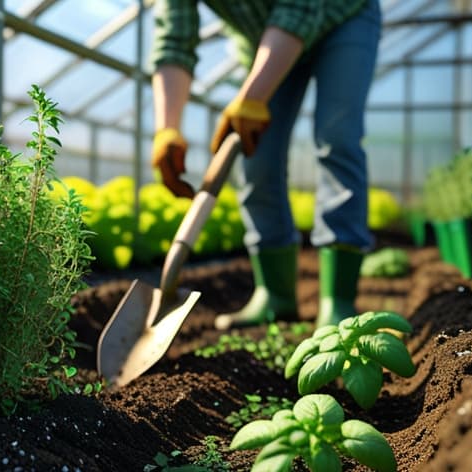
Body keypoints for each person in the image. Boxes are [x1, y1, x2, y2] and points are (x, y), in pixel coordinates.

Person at [149, 0, 381, 328]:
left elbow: (300, 8)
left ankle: (338, 299)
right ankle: (275, 294)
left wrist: (253, 96)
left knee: (337, 136)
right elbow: (174, 40)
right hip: (266, 39)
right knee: (257, 157)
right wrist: (167, 129)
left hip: (343, 16)